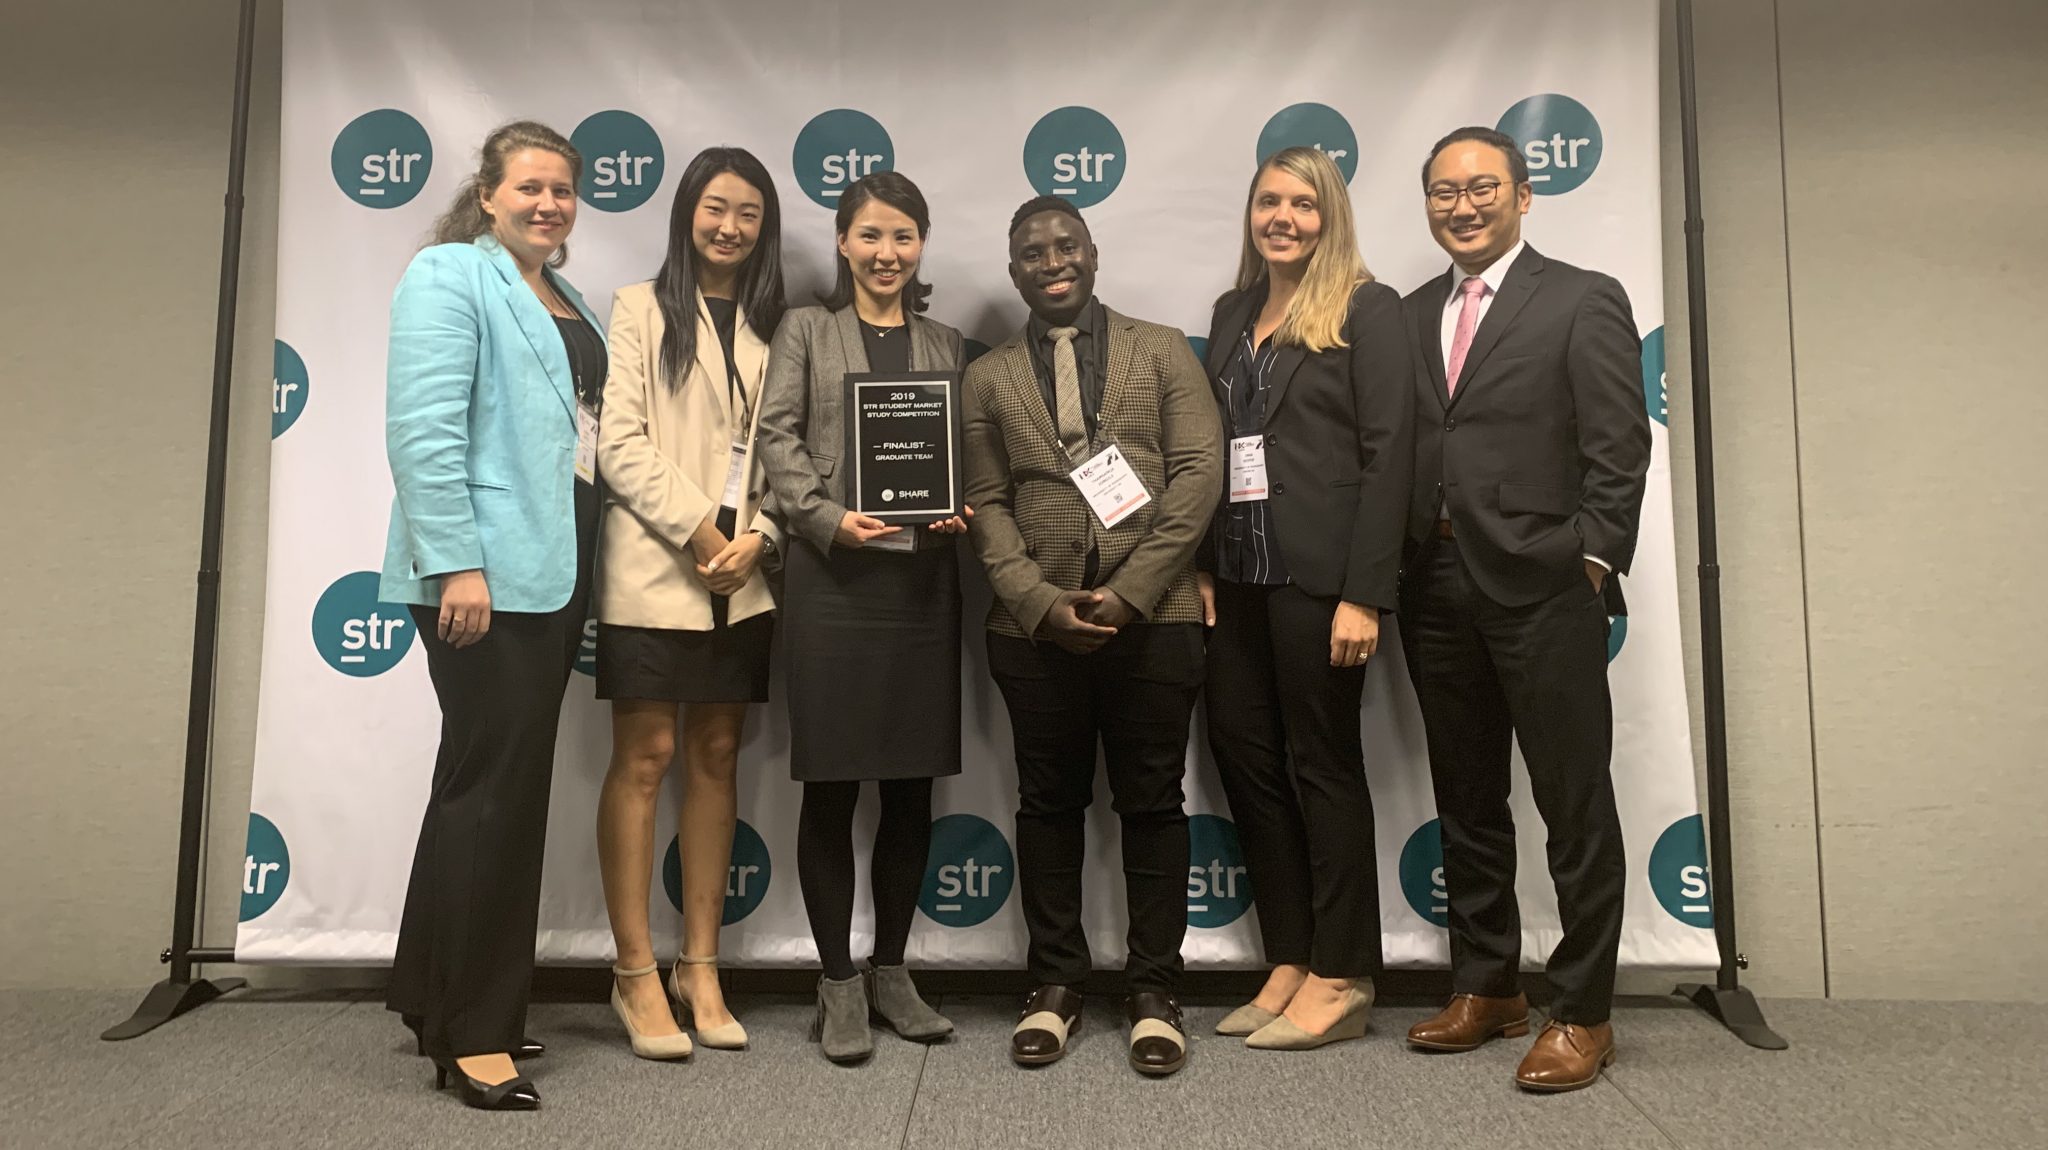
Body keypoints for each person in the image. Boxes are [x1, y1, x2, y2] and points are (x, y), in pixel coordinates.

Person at [1397, 126, 1651, 1091]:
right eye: (1444, 191)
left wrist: (1589, 560)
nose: (1462, 206)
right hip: (1435, 586)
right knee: (1466, 800)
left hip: (1545, 589)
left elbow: (1619, 445)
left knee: (1572, 802)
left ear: (1523, 194)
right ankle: (1489, 985)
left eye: (1481, 188)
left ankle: (1583, 1010)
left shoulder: (1583, 297)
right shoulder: (1411, 313)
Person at [964, 195, 1224, 1077]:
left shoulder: (1164, 350)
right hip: (1031, 630)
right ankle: (1056, 983)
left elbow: (1198, 476)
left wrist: (1132, 592)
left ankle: (1154, 989)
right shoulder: (988, 376)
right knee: (1048, 805)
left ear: (1093, 252)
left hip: (1157, 619)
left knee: (1152, 804)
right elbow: (986, 500)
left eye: (1066, 245)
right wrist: (1037, 602)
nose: (1052, 261)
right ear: (1014, 272)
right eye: (1032, 252)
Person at [378, 121, 602, 1111]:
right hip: (485, 579)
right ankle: (474, 1037)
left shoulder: (562, 294)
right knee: (495, 801)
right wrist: (456, 564)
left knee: (473, 783)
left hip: (552, 569)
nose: (549, 203)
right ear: (488, 193)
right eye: (530, 187)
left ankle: (431, 995)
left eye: (563, 190)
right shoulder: (448, 275)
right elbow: (422, 429)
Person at [1196, 146, 1414, 1050]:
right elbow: (1214, 447)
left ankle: (1344, 970)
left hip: (1319, 582)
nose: (1282, 218)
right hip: (1237, 579)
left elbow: (1391, 455)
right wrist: (1201, 561)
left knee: (1323, 768)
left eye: (1303, 204)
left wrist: (1365, 595)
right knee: (1246, 759)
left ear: (1331, 217)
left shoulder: (1368, 308)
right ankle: (1290, 956)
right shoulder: (1232, 311)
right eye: (1268, 201)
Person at [754, 171, 968, 1064]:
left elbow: (962, 452)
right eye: (871, 235)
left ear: (921, 245)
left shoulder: (947, 343)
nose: (888, 253)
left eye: (903, 236)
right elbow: (776, 436)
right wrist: (827, 518)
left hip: (921, 588)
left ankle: (892, 971)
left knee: (912, 788)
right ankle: (838, 980)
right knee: (833, 786)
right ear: (843, 242)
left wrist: (956, 506)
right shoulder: (806, 329)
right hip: (833, 581)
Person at [593, 147, 787, 1060]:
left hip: (744, 578)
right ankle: (635, 971)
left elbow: (792, 451)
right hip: (656, 567)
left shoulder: (779, 324)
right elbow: (619, 444)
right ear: (687, 214)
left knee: (715, 754)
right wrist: (702, 532)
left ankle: (699, 965)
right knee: (647, 756)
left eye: (748, 213)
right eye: (716, 208)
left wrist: (762, 538)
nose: (730, 227)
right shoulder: (637, 308)